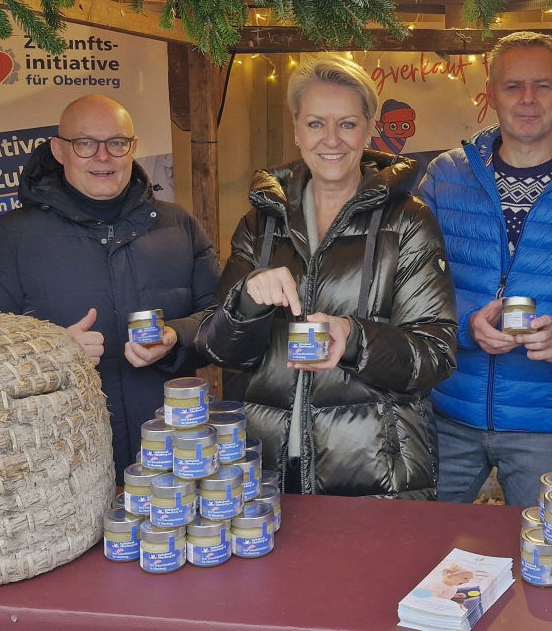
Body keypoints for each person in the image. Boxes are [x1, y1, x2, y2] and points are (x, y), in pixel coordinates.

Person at [192, 54, 457, 499]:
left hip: (375, 469)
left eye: (347, 124)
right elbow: (220, 350)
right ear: (297, 129)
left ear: (369, 129)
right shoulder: (261, 223)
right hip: (266, 463)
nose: (331, 139)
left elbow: (435, 355)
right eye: (315, 124)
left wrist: (353, 339)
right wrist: (248, 302)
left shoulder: (409, 221)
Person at [0, 94, 220, 476]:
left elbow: (221, 320)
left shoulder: (177, 226)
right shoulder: (10, 237)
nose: (103, 157)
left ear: (133, 148)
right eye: (85, 144)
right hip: (58, 464)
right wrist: (52, 351)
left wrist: (176, 336)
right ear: (59, 151)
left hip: (169, 459)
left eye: (116, 143)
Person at [416, 31, 552, 507]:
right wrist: (468, 322)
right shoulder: (445, 178)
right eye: (513, 87)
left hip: (550, 425)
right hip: (447, 411)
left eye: (542, 86)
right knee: (417, 551)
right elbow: (413, 282)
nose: (528, 100)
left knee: (548, 556)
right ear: (490, 94)